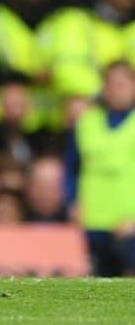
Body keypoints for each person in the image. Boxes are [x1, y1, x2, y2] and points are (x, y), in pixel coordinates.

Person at [68, 62, 135, 276]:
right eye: (110, 84)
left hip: (128, 220)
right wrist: (71, 201)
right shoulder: (87, 122)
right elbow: (71, 166)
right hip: (92, 218)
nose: (115, 89)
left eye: (121, 84)